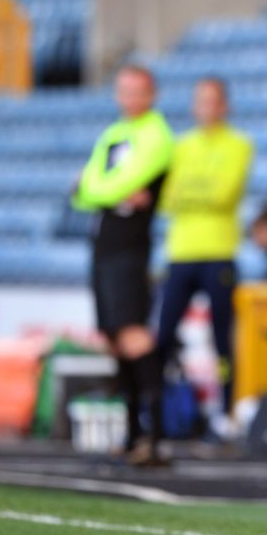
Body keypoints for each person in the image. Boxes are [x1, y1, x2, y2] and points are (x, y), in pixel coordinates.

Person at [71, 65, 174, 466]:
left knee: (134, 335)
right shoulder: (113, 134)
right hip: (103, 243)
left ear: (151, 94)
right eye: (123, 90)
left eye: (137, 90)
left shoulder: (156, 135)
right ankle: (133, 435)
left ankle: (156, 435)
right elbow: (85, 191)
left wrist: (97, 189)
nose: (129, 97)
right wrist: (103, 191)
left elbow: (98, 184)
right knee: (114, 338)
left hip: (131, 246)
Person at [156, 78, 254, 419]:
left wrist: (188, 192)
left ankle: (225, 413)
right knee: (163, 335)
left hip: (218, 253)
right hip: (180, 252)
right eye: (200, 100)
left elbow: (224, 195)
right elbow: (166, 200)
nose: (206, 107)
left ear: (224, 105)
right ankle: (157, 411)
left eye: (212, 100)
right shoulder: (180, 146)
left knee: (221, 340)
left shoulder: (239, 145)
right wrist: (201, 191)